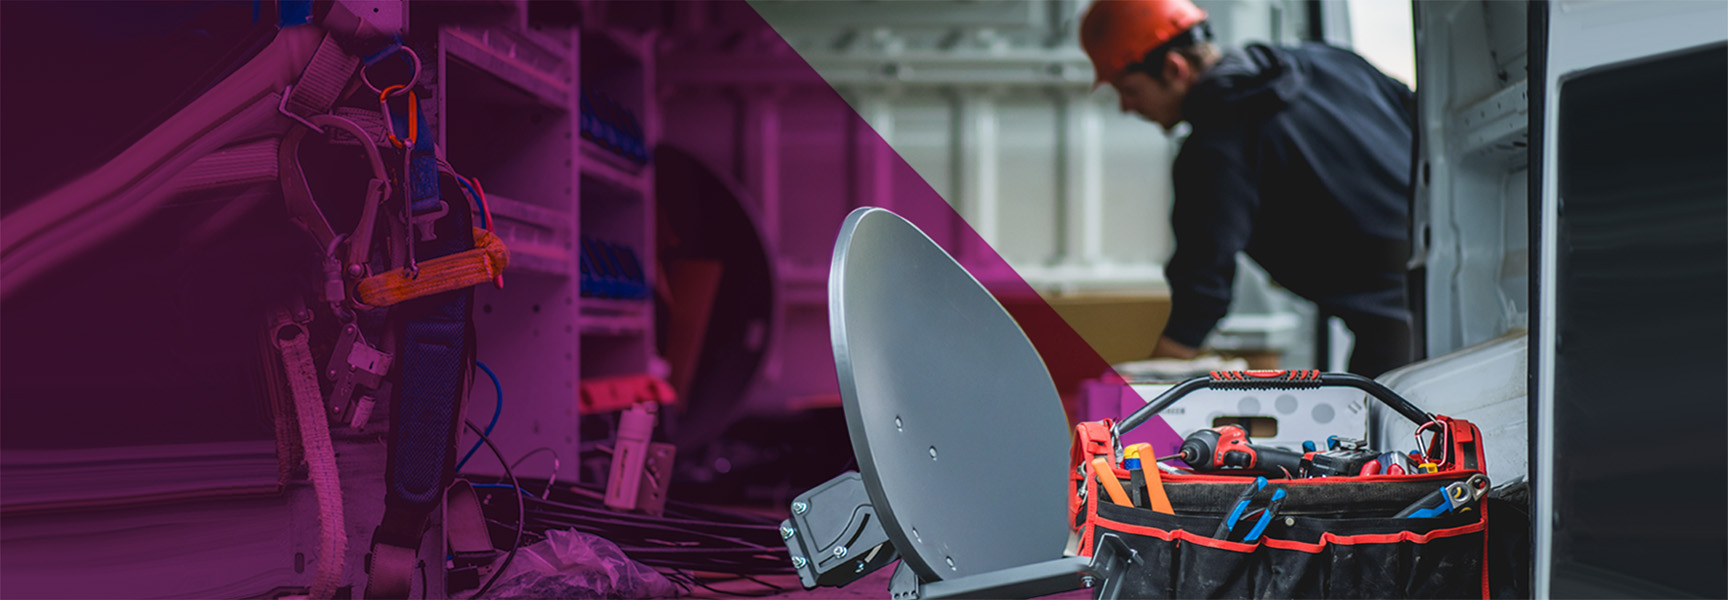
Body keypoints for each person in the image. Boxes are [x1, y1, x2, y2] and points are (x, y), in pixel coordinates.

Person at [1080, 0, 1417, 377]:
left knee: (1386, 430)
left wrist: (1144, 389)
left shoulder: (1214, 147)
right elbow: (1424, 123)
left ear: (1174, 68)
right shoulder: (1330, 60)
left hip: (1399, 338)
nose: (1127, 107)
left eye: (1129, 90)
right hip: (1460, 291)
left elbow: (1202, 289)